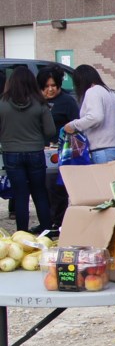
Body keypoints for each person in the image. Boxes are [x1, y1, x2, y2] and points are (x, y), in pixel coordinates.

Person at [0, 65, 55, 233]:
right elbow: (51, 131)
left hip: (11, 153)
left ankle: (21, 233)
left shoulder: (2, 103)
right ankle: (46, 229)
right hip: (36, 153)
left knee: (20, 194)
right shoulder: (40, 103)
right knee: (39, 192)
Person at [37, 66, 78, 230]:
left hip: (60, 151)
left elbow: (76, 124)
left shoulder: (67, 101)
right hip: (39, 150)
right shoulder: (37, 101)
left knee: (57, 188)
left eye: (53, 85)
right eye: (46, 86)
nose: (50, 89)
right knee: (42, 189)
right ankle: (46, 222)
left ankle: (59, 223)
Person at [64, 64, 115, 164]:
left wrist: (73, 125)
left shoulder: (92, 92)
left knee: (103, 179)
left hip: (102, 149)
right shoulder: (110, 93)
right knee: (113, 180)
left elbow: (95, 117)